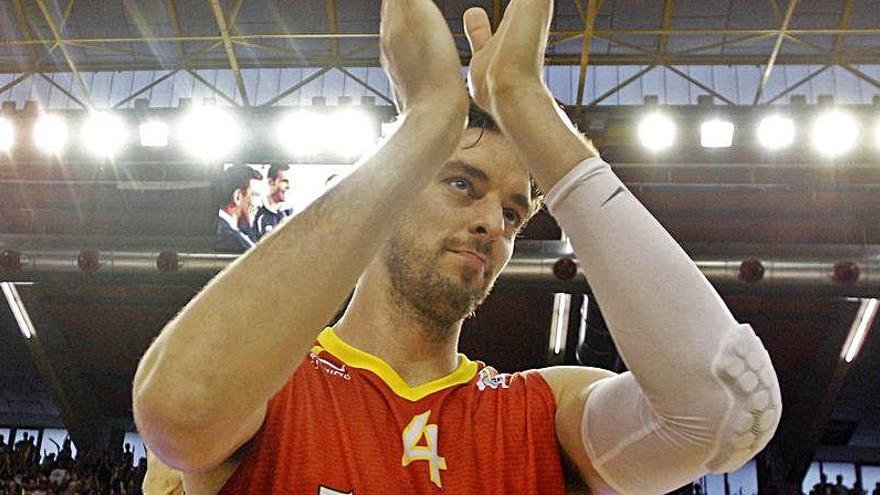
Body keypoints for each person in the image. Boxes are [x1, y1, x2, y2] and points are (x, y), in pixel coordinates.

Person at [133, 0, 781, 493]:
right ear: (390, 192)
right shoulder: (270, 384)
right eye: (461, 184)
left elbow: (715, 408)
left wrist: (528, 105)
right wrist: (425, 125)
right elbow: (178, 407)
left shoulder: (542, 411)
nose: (492, 224)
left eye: (512, 212)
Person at [213, 165, 262, 253]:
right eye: (255, 195)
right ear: (238, 196)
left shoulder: (224, 227)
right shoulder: (230, 237)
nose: (259, 204)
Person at [252, 163, 294, 240]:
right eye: (284, 181)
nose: (288, 187)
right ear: (271, 182)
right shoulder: (256, 212)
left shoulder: (289, 213)